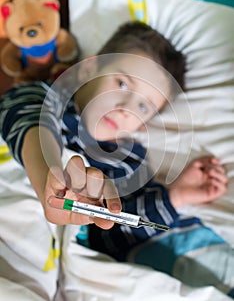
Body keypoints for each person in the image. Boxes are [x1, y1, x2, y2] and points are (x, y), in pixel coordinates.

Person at [0, 21, 227, 262]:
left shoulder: (130, 163)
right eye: (122, 83)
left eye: (143, 106)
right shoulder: (49, 98)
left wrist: (176, 196)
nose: (126, 108)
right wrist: (49, 177)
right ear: (89, 69)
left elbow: (113, 237)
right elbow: (25, 118)